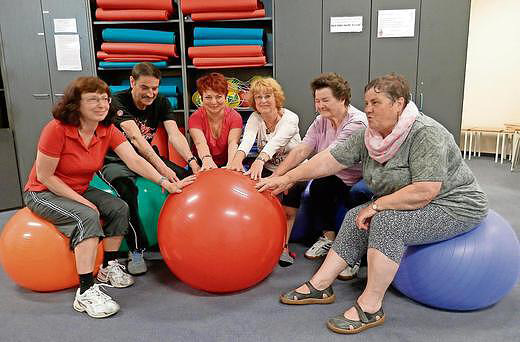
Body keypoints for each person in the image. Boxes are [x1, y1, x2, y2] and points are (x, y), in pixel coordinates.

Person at [257, 73, 488, 334]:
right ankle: (320, 284)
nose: (367, 109)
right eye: (366, 102)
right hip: (419, 199)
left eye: (375, 102)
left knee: (386, 222)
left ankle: (370, 306)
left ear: (398, 104)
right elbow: (328, 160)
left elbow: (425, 189)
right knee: (356, 214)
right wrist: (287, 178)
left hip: (453, 204)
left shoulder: (425, 133)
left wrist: (377, 206)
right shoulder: (370, 134)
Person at [23, 77, 195, 318]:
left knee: (119, 208)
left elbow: (134, 160)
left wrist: (164, 181)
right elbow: (45, 176)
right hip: (43, 192)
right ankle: (85, 292)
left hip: (80, 188)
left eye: (104, 98)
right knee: (87, 216)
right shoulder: (57, 129)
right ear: (76, 104)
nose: (102, 104)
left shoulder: (106, 129)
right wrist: (84, 202)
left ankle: (107, 267)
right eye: (93, 99)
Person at [101, 62, 198, 275]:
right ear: (132, 82)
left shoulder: (161, 102)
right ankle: (136, 250)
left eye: (155, 88)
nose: (151, 93)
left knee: (186, 179)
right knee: (127, 193)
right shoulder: (117, 102)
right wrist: (162, 170)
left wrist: (192, 162)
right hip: (116, 161)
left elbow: (174, 135)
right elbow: (136, 139)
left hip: (148, 157)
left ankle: (186, 236)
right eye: (145, 87)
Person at [266, 73, 368, 269]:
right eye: (317, 100)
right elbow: (302, 149)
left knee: (357, 194)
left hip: (358, 178)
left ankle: (354, 253)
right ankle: (328, 238)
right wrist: (277, 175)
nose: (320, 105)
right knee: (320, 185)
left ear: (342, 99)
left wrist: (288, 177)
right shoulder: (321, 120)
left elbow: (330, 158)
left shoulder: (357, 123)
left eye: (325, 100)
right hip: (334, 176)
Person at [228, 77, 301, 180]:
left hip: (293, 170)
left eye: (267, 96)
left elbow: (276, 142)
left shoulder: (290, 118)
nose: (263, 101)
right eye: (258, 97)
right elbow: (247, 140)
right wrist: (236, 160)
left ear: (276, 98)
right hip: (268, 169)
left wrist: (259, 160)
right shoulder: (255, 117)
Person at [189, 72, 243, 169]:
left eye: (218, 97)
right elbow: (200, 143)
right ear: (201, 98)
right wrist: (207, 159)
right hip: (203, 162)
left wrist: (231, 164)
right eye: (208, 97)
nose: (214, 102)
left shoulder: (235, 117)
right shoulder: (195, 117)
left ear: (225, 97)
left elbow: (233, 143)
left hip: (228, 162)